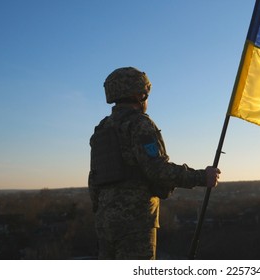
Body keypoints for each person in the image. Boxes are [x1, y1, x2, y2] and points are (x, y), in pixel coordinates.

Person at [88, 67, 220, 260]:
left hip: (105, 223)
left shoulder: (102, 129)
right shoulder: (139, 124)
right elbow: (158, 171)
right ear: (139, 94)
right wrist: (201, 177)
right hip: (135, 223)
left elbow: (94, 180)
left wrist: (104, 212)